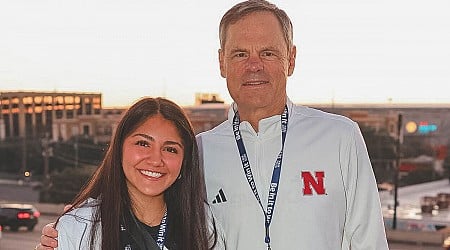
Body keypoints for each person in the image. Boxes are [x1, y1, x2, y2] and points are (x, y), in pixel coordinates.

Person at [39, 0, 388, 249]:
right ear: (222, 62)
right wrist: (73, 233)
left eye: (268, 52)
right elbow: (145, 212)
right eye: (240, 54)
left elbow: (368, 240)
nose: (254, 66)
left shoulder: (339, 137)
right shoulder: (196, 152)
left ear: (291, 59)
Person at [37, 97, 222, 250]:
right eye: (143, 144)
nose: (156, 159)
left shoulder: (203, 224)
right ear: (119, 149)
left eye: (170, 149)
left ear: (185, 162)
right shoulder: (77, 227)